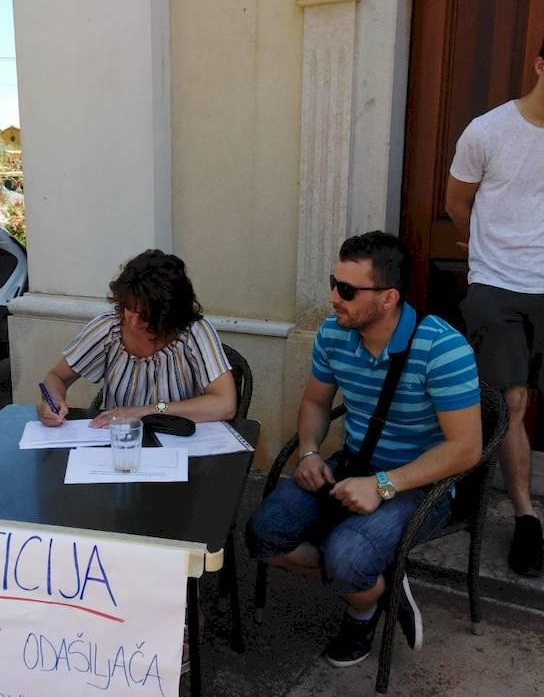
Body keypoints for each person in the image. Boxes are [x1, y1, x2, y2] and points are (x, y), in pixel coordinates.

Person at [246, 231, 482, 667]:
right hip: (353, 464)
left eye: (347, 290)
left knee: (348, 558)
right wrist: (310, 452)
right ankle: (379, 580)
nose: (334, 298)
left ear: (388, 298)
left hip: (422, 481)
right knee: (263, 534)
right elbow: (315, 402)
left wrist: (383, 485)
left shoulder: (443, 348)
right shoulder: (334, 334)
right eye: (333, 283)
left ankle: (362, 611)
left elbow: (466, 449)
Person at [446, 42, 544, 577]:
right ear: (539, 66)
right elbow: (456, 204)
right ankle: (526, 516)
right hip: (498, 284)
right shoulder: (487, 132)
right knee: (511, 400)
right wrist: (484, 247)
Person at [37, 249, 237, 427]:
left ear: (170, 314)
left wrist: (147, 411)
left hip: (178, 440)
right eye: (129, 309)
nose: (133, 323)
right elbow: (57, 377)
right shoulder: (109, 328)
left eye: (146, 316)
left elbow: (225, 404)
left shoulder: (194, 332)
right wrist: (52, 400)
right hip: (118, 439)